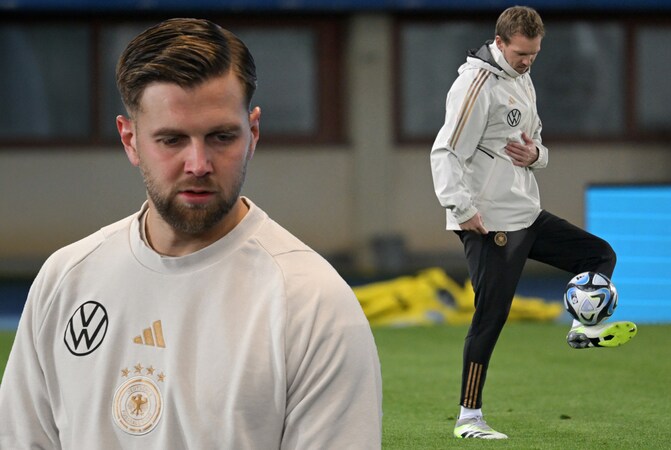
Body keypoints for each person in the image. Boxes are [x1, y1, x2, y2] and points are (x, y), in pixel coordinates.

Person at [0, 18, 382, 449]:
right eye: (171, 139)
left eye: (221, 137)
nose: (198, 164)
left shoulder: (312, 302)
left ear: (253, 133)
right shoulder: (65, 280)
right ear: (130, 139)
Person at [430, 6, 637, 440]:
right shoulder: (476, 84)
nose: (527, 61)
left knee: (600, 253)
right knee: (491, 316)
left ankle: (585, 324)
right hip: (489, 223)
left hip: (527, 212)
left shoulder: (522, 78)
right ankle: (469, 418)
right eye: (521, 53)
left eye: (534, 55)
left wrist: (537, 156)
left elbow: (535, 141)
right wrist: (461, 208)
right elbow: (445, 151)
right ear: (500, 42)